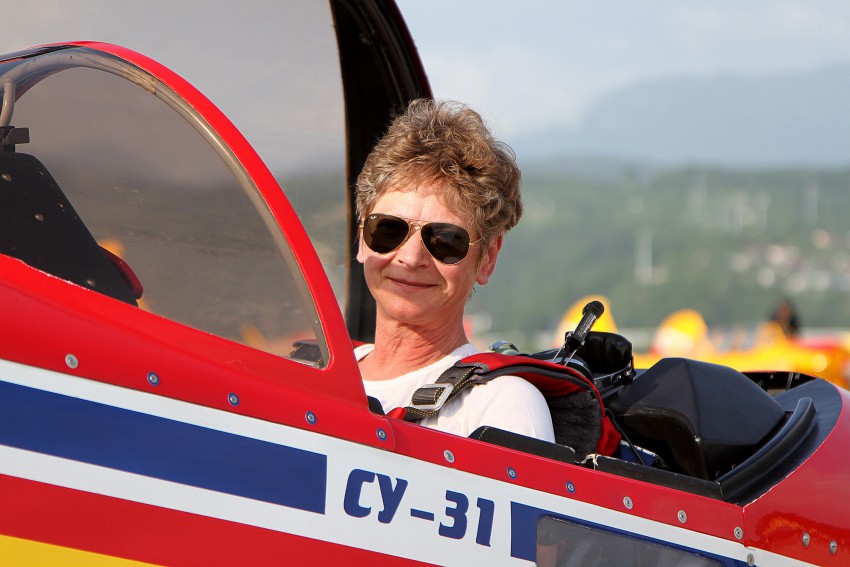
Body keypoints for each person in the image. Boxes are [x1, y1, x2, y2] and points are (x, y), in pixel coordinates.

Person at [354, 99, 555, 442]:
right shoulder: (309, 373)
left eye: (445, 240)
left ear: (487, 258)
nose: (411, 257)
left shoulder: (503, 405)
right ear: (361, 238)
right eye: (388, 230)